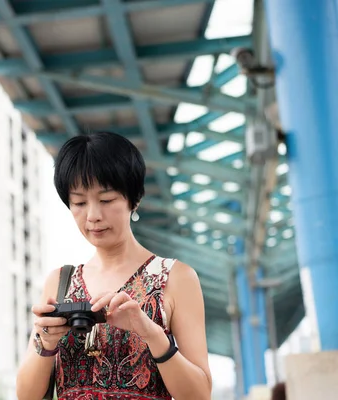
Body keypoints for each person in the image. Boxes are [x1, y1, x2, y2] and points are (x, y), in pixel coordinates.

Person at [16, 131, 212, 400]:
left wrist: (151, 334)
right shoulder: (60, 282)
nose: (94, 216)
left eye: (106, 200)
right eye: (80, 203)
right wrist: (46, 344)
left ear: (135, 199)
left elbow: (200, 394)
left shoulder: (176, 278)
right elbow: (26, 396)